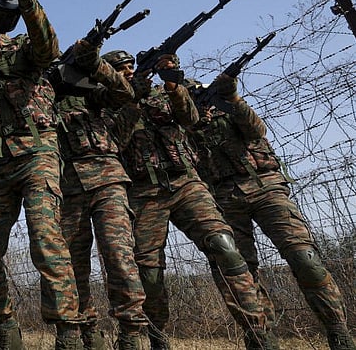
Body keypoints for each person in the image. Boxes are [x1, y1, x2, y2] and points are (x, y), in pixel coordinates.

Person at [104, 50, 277, 350]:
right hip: (144, 193)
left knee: (224, 245)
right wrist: (132, 102)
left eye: (131, 66)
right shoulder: (106, 107)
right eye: (120, 70)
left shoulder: (161, 95)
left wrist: (172, 84)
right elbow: (115, 141)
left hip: (187, 183)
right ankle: (158, 335)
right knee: (149, 271)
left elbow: (191, 119)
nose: (129, 72)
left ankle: (259, 333)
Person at [185, 74, 356, 350]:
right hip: (221, 197)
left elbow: (256, 130)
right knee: (237, 269)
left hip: (265, 186)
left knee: (305, 257)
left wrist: (233, 99)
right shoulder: (181, 122)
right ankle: (261, 337)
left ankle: (338, 331)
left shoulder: (225, 107)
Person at [0, 0, 86, 350]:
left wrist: (29, 2)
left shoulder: (23, 49)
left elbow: (49, 47)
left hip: (36, 151)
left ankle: (67, 333)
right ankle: (5, 327)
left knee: (46, 241)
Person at [52, 42, 149, 350]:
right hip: (67, 186)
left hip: (107, 179)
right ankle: (86, 331)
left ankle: (131, 332)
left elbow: (123, 95)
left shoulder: (91, 93)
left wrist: (95, 65)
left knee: (119, 255)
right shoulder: (43, 93)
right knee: (71, 265)